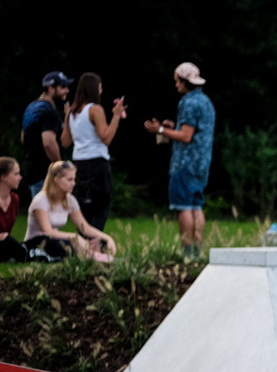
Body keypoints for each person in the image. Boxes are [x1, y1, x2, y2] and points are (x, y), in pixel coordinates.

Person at [143, 62, 216, 257]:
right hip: (202, 163)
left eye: (177, 81)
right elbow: (194, 131)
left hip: (185, 164)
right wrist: (172, 127)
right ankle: (198, 252)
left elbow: (185, 136)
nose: (176, 85)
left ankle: (187, 253)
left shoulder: (188, 102)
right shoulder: (206, 101)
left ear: (185, 81)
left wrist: (159, 129)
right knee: (196, 206)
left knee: (184, 207)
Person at [60, 72, 126, 231]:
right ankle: (95, 247)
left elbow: (65, 141)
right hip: (97, 163)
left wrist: (67, 118)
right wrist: (116, 116)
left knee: (83, 208)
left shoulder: (72, 111)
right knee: (100, 207)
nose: (101, 89)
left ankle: (83, 247)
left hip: (79, 165)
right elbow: (106, 138)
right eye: (100, 86)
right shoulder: (95, 109)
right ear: (94, 88)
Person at [23, 160, 117, 261]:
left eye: (74, 179)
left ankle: (91, 256)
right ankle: (91, 257)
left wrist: (107, 238)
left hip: (55, 241)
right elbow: (48, 232)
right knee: (68, 244)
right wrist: (75, 238)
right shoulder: (41, 200)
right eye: (70, 179)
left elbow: (85, 228)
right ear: (57, 179)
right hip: (38, 243)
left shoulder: (70, 200)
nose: (74, 183)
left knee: (100, 242)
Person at [21, 71, 73, 197]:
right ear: (51, 88)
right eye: (63, 87)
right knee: (48, 215)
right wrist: (61, 168)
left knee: (40, 213)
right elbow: (48, 142)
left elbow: (23, 137)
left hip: (33, 171)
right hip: (46, 173)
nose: (67, 90)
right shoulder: (49, 111)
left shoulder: (32, 107)